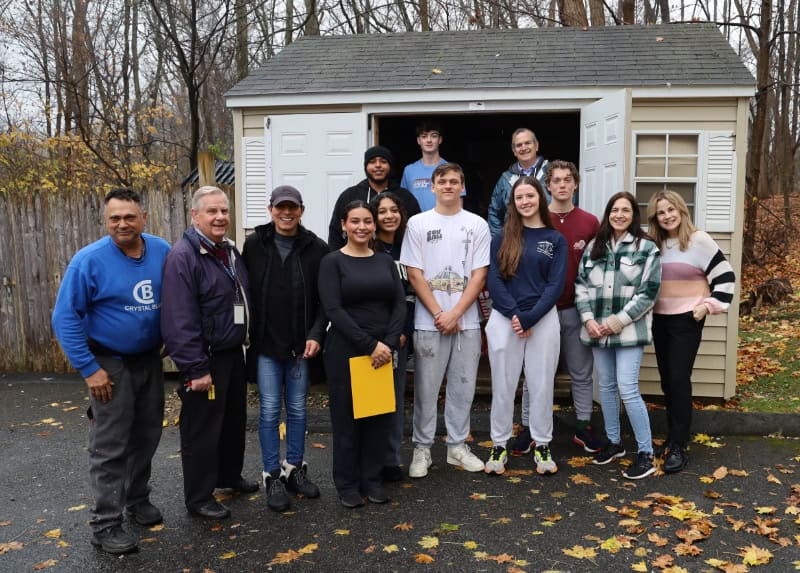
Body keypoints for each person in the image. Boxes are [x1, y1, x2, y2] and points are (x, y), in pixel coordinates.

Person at [51, 188, 171, 554]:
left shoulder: (162, 250)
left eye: (129, 217)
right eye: (115, 218)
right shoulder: (89, 261)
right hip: (108, 363)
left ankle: (136, 500)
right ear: (106, 221)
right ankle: (105, 525)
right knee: (110, 445)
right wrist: (89, 368)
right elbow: (64, 316)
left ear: (143, 218)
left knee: (147, 435)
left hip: (149, 360)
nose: (122, 223)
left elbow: (176, 297)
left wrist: (168, 336)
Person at [161, 186, 259, 520]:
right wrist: (195, 367)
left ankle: (228, 477)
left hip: (232, 353)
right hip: (205, 358)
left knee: (233, 422)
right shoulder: (183, 256)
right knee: (201, 429)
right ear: (195, 215)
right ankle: (199, 497)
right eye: (212, 212)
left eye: (224, 211)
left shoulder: (227, 250)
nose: (220, 217)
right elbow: (178, 318)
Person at [401, 162, 490, 478]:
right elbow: (414, 271)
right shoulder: (417, 223)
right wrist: (440, 313)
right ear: (433, 187)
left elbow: (480, 274)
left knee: (463, 386)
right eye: (443, 181)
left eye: (455, 181)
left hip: (465, 321)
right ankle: (422, 449)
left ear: (462, 187)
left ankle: (456, 447)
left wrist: (455, 313)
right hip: (430, 321)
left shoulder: (477, 225)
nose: (449, 186)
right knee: (426, 388)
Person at [242, 185, 328, 512]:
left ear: (301, 211)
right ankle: (271, 474)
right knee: (268, 410)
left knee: (298, 409)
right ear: (271, 209)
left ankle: (294, 468)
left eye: (293, 208)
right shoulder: (254, 245)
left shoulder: (315, 248)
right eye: (281, 208)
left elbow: (324, 301)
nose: (287, 213)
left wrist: (317, 334)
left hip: (299, 347)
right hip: (266, 346)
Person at [509, 161, 603, 456]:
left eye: (567, 180)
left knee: (581, 371)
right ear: (546, 186)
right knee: (534, 372)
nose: (562, 185)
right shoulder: (536, 218)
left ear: (576, 184)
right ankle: (528, 427)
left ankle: (583, 426)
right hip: (539, 309)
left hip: (575, 307)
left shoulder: (589, 223)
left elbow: (597, 268)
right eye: (556, 180)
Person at [318, 200, 406, 508]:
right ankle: (347, 484)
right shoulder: (332, 262)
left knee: (378, 419)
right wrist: (370, 345)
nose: (361, 227)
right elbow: (333, 309)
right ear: (343, 224)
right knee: (347, 420)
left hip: (383, 351)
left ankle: (372, 480)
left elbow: (398, 304)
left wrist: (390, 342)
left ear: (374, 226)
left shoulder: (384, 261)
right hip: (347, 350)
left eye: (367, 221)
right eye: (355, 221)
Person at [647, 190, 735, 473]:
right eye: (661, 212)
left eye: (671, 209)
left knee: (678, 378)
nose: (667, 216)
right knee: (666, 381)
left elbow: (725, 277)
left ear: (682, 210)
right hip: (660, 319)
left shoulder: (699, 240)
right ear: (655, 218)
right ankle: (673, 437)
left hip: (687, 318)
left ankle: (679, 447)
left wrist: (707, 307)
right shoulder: (654, 244)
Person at [575, 191, 661, 480]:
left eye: (626, 210)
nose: (619, 215)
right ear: (608, 213)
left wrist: (617, 321)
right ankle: (614, 443)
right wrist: (588, 320)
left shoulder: (646, 248)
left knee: (627, 387)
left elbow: (648, 293)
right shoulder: (594, 247)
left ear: (633, 215)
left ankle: (646, 453)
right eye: (615, 209)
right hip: (597, 332)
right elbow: (581, 286)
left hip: (628, 331)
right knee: (607, 387)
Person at [484, 176, 566, 476]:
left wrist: (531, 317)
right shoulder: (502, 236)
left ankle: (542, 443)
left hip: (542, 319)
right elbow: (494, 279)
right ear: (513, 203)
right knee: (503, 385)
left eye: (530, 196)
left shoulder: (555, 239)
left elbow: (556, 284)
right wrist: (516, 314)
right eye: (519, 198)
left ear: (540, 198)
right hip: (506, 318)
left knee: (541, 383)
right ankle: (499, 443)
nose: (525, 202)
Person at [369, 192, 415, 482]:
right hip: (371, 337)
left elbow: (412, 295)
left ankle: (391, 459)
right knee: (372, 399)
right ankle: (370, 460)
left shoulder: (411, 247)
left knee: (395, 399)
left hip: (399, 336)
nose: (389, 216)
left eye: (394, 210)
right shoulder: (368, 248)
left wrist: (402, 332)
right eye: (382, 211)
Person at [327, 145, 421, 249]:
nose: (378, 165)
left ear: (390, 166)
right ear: (366, 166)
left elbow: (417, 230)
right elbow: (335, 232)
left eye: (383, 161)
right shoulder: (350, 195)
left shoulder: (405, 196)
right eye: (372, 162)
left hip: (398, 257)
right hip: (356, 258)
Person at [488, 128, 549, 236]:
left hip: (547, 240)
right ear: (514, 151)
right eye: (519, 145)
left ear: (536, 145)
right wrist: (499, 241)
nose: (524, 148)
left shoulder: (552, 173)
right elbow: (495, 213)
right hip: (514, 241)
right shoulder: (505, 179)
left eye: (527, 143)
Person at [401, 121, 466, 212]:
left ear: (440, 140)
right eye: (424, 136)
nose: (429, 140)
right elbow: (403, 203)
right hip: (417, 224)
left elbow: (459, 204)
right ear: (418, 140)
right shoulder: (409, 170)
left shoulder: (453, 170)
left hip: (445, 223)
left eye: (434, 136)